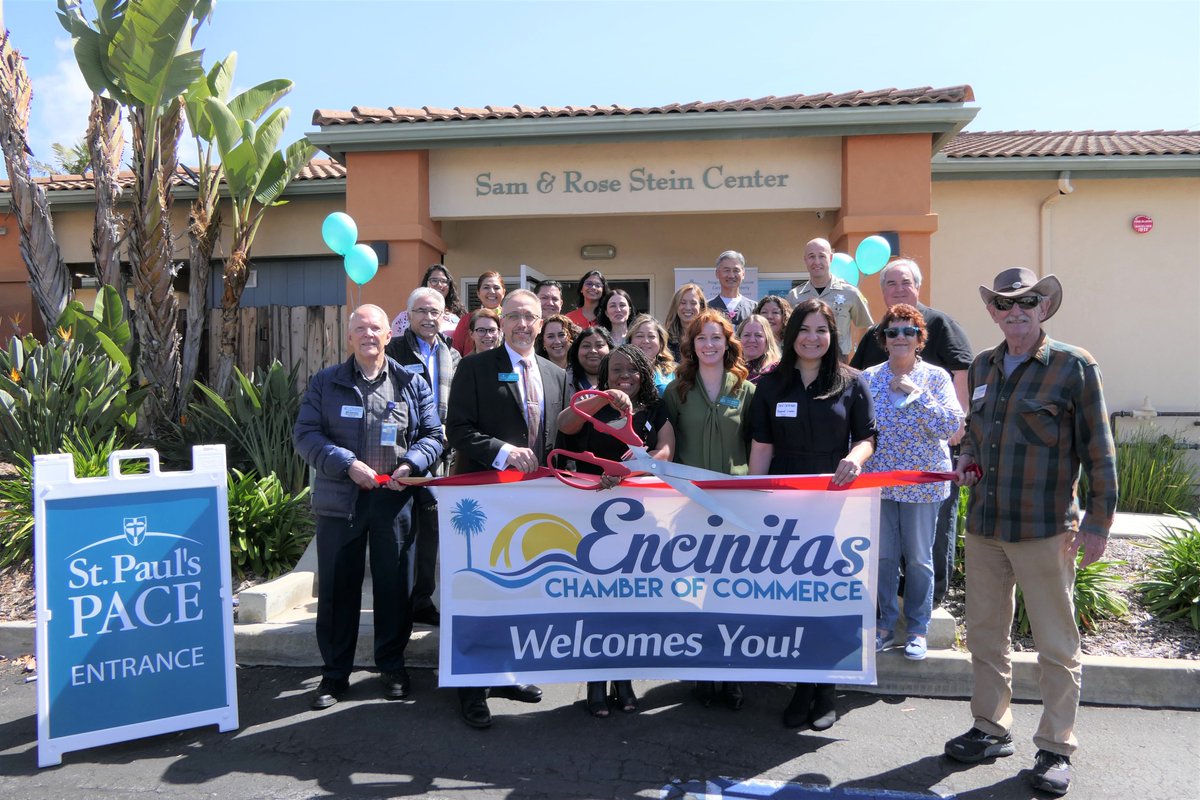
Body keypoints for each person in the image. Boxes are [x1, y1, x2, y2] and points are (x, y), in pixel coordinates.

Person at [943, 268, 1117, 797]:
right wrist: (967, 458)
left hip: (1045, 529)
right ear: (994, 311)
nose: (1015, 312)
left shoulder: (1073, 366)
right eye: (1004, 304)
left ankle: (1056, 747)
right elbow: (973, 434)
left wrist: (1098, 523)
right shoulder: (981, 366)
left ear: (1044, 308)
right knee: (986, 636)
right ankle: (990, 728)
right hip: (987, 525)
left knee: (1055, 644)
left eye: (1027, 303)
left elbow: (1100, 451)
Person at [293, 304, 444, 710]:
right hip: (341, 503)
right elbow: (306, 435)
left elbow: (433, 434)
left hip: (394, 502)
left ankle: (392, 666)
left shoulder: (411, 381)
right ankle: (334, 674)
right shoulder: (325, 382)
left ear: (388, 335)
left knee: (394, 589)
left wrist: (412, 463)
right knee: (338, 590)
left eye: (375, 327)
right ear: (349, 336)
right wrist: (347, 464)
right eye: (359, 328)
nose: (368, 334)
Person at [747, 298, 877, 731]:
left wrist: (857, 458)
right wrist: (753, 499)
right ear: (791, 334)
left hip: (835, 501)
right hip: (784, 504)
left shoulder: (852, 382)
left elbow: (867, 436)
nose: (813, 337)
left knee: (828, 598)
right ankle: (800, 685)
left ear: (832, 336)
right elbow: (762, 447)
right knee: (792, 598)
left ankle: (825, 688)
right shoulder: (770, 385)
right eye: (805, 329)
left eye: (822, 330)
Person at [445, 289, 570, 729]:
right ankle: (470, 688)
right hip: (484, 500)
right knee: (478, 593)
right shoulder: (476, 367)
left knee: (520, 592)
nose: (522, 324)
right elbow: (457, 430)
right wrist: (503, 451)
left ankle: (506, 674)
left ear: (541, 322)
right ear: (503, 321)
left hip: (534, 505)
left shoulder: (556, 374)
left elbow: (562, 440)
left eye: (529, 317)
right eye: (513, 315)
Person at [555, 344, 675, 718]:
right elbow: (565, 425)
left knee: (628, 603)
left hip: (640, 519)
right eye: (616, 370)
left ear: (644, 372)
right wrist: (603, 398)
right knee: (596, 601)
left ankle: (623, 680)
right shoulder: (593, 405)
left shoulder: (657, 409)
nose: (625, 376)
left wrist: (630, 472)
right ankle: (595, 681)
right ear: (605, 375)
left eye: (632, 370)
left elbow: (666, 452)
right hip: (594, 518)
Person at [851, 258, 974, 607]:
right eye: (890, 283)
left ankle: (926, 610)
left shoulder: (940, 325)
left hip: (926, 468)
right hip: (882, 474)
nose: (899, 336)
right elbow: (854, 383)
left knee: (926, 551)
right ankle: (888, 618)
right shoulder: (877, 342)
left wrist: (958, 429)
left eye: (905, 282)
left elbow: (961, 373)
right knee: (886, 554)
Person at [664, 308, 755, 711]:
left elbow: (758, 446)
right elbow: (666, 448)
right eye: (701, 338)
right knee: (697, 591)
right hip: (691, 504)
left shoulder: (747, 390)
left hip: (736, 505)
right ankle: (702, 669)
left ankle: (733, 674)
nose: (709, 345)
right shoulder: (676, 391)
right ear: (691, 345)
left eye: (716, 337)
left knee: (733, 591)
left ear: (728, 342)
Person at [860, 304, 962, 661]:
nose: (900, 337)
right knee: (885, 557)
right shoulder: (869, 377)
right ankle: (886, 626)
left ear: (920, 340)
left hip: (922, 485)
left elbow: (950, 427)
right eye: (892, 332)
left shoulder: (935, 378)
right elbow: (859, 430)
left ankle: (917, 628)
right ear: (883, 340)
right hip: (879, 483)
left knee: (919, 559)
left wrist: (916, 396)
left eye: (908, 331)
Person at [385, 288, 462, 627]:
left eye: (436, 312)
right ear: (408, 315)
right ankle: (396, 601)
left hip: (440, 455)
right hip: (400, 454)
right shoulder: (392, 352)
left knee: (431, 529)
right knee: (401, 531)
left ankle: (421, 600)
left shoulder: (452, 354)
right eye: (422, 311)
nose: (429, 318)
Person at [787, 238, 873, 361]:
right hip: (803, 360)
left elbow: (864, 326)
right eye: (811, 256)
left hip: (839, 361)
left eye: (822, 256)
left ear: (831, 258)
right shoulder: (794, 296)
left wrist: (859, 357)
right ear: (805, 260)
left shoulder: (850, 293)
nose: (816, 261)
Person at [391, 264, 464, 338]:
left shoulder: (458, 317)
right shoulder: (404, 318)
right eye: (434, 280)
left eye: (444, 281)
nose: (439, 284)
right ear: (426, 282)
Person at [451, 271, 506, 356]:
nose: (491, 291)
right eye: (486, 287)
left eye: (496, 288)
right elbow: (455, 352)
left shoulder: (510, 318)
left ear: (503, 293)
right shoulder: (467, 320)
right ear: (478, 293)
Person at [627, 313, 676, 394]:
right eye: (639, 336)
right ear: (630, 341)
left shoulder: (675, 371)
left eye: (651, 336)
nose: (646, 341)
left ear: (661, 342)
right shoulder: (622, 371)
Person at [708, 250, 756, 327]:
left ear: (743, 274)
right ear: (717, 273)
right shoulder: (707, 308)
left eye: (736, 270)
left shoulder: (754, 308)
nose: (731, 275)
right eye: (726, 270)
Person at [664, 283, 706, 362]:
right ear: (675, 306)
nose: (688, 307)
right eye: (683, 303)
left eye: (693, 303)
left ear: (701, 306)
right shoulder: (665, 339)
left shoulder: (709, 337)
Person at [566, 326, 614, 392]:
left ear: (610, 349)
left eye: (599, 345)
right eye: (586, 346)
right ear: (576, 351)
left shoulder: (620, 379)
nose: (593, 350)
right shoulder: (563, 379)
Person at [736, 313, 780, 382]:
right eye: (747, 335)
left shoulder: (775, 371)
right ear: (739, 338)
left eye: (758, 335)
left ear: (767, 339)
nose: (752, 340)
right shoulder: (730, 368)